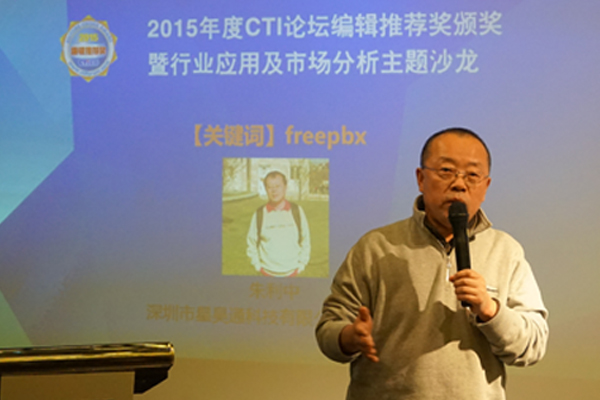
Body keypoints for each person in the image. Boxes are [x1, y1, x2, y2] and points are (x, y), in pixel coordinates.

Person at [315, 128, 548, 399]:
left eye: (472, 175)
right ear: (420, 178)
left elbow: (533, 345)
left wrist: (490, 310)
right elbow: (329, 326)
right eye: (446, 171)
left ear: (485, 187)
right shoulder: (376, 247)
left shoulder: (506, 251)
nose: (459, 184)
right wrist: (349, 337)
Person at [247, 171, 311, 277]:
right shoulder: (259, 214)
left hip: (293, 274)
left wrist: (301, 265)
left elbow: (305, 241)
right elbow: (251, 244)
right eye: (270, 187)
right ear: (266, 189)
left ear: (285, 187)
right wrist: (258, 266)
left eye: (277, 186)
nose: (274, 190)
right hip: (266, 274)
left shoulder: (297, 211)